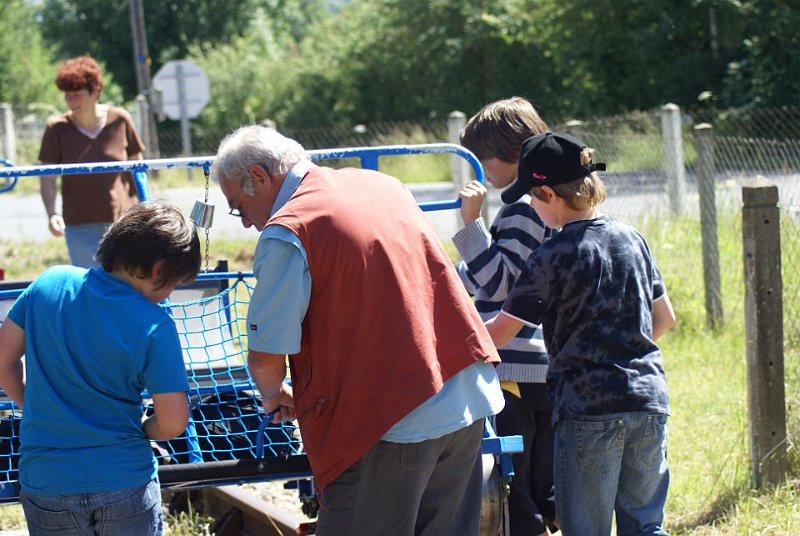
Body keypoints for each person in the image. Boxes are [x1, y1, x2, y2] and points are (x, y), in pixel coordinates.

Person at [210, 125, 505, 536]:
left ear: (259, 177)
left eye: (239, 207)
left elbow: (265, 357)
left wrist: (273, 394)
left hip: (391, 418)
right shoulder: (382, 184)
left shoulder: (288, 230)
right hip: (465, 393)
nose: (245, 224)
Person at [485, 132, 676, 536]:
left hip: (587, 410)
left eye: (533, 198)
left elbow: (500, 333)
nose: (532, 208)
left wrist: (446, 341)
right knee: (645, 524)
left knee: (585, 528)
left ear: (549, 193)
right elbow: (664, 318)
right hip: (648, 399)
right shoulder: (632, 238)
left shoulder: (552, 255)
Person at [0, 201, 201, 536]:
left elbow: (3, 360)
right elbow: (174, 420)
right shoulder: (155, 324)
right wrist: (143, 429)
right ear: (158, 268)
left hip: (47, 480)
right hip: (125, 480)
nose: (168, 294)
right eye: (174, 283)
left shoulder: (49, 283)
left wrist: (32, 407)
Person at [455, 97, 557, 535]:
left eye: (483, 158)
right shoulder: (549, 206)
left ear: (511, 152)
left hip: (513, 365)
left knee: (515, 486)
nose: (480, 169)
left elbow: (499, 284)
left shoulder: (519, 211)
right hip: (545, 364)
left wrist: (470, 224)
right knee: (545, 479)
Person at [38, 54, 145, 268]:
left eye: (76, 94)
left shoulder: (120, 119)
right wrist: (51, 214)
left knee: (127, 285)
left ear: (95, 92)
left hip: (124, 223)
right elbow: (47, 178)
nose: (70, 101)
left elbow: (139, 169)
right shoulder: (56, 128)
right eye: (67, 95)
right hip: (79, 226)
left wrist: (144, 207)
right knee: (91, 289)